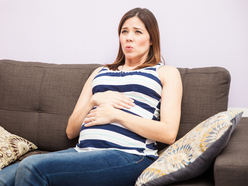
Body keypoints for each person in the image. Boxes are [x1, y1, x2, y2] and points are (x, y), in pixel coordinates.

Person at [0, 7, 182, 186]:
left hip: (130, 155)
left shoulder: (165, 73)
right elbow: (71, 131)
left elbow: (168, 134)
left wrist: (116, 115)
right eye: (124, 31)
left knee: (32, 167)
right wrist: (93, 101)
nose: (129, 37)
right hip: (82, 152)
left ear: (151, 39)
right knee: (5, 177)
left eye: (138, 32)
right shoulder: (99, 73)